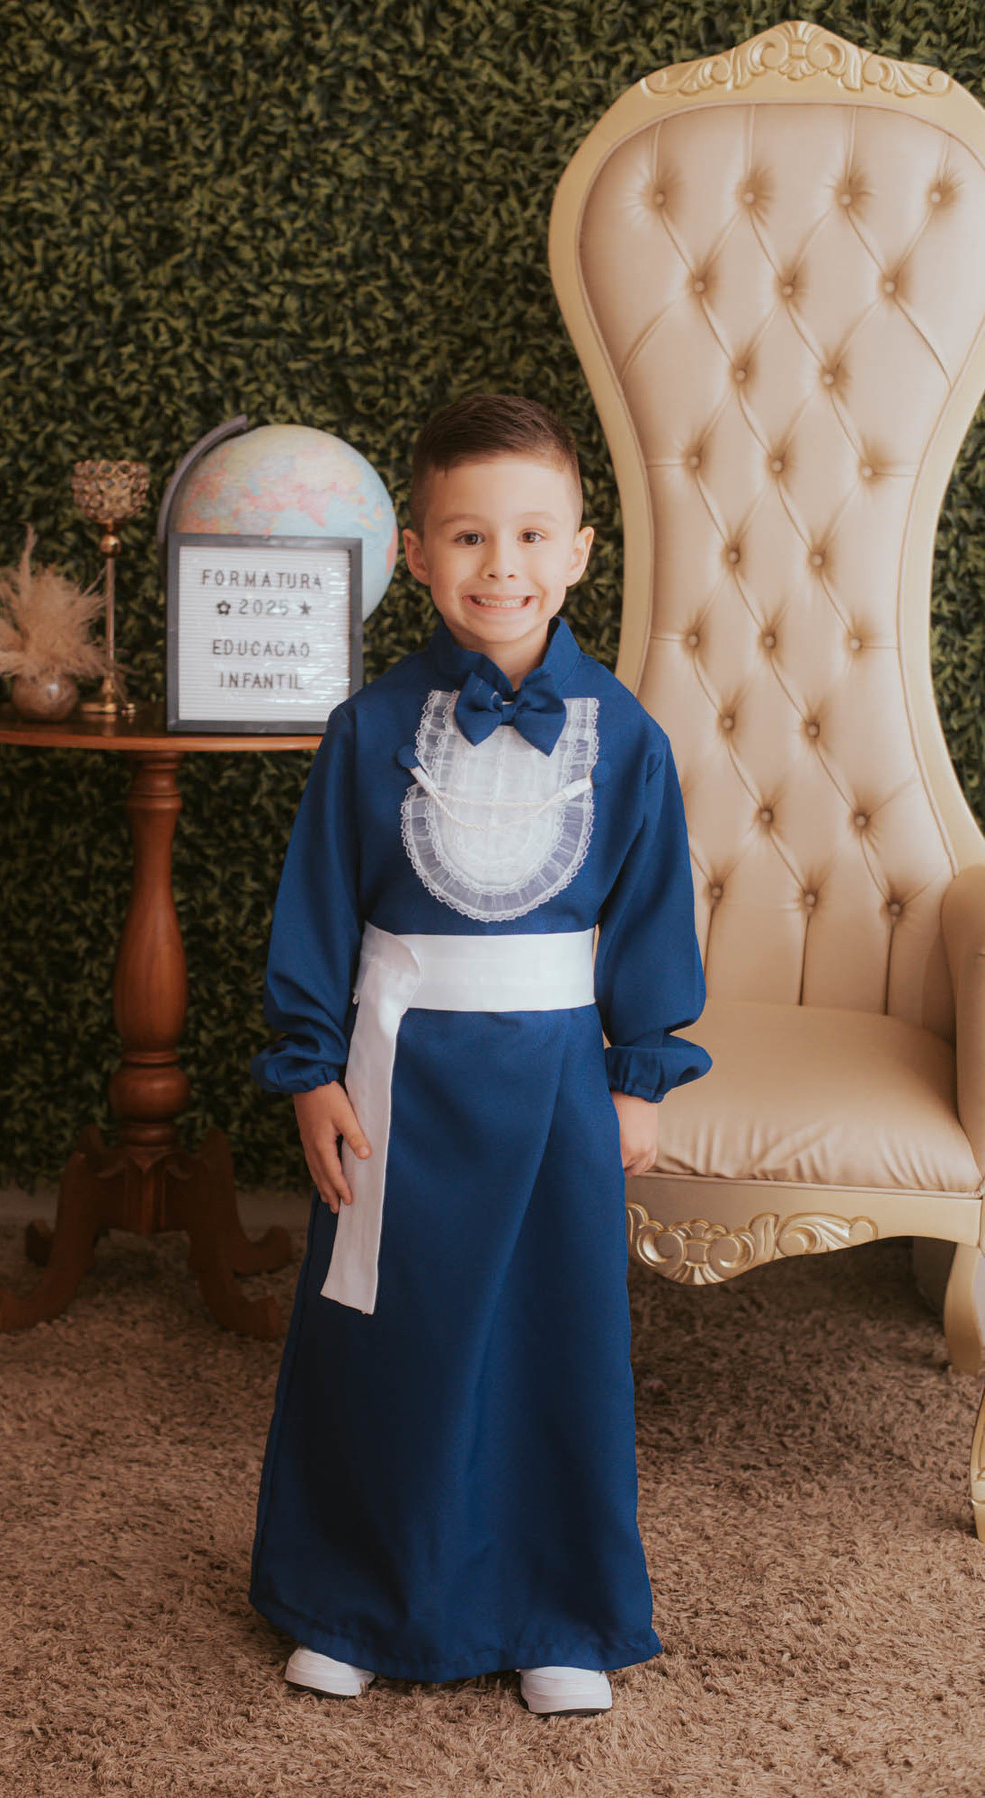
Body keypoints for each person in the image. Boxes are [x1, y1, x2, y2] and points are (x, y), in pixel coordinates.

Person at [247, 393, 711, 1716]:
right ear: (414, 553)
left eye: (530, 534)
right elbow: (320, 909)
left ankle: (558, 1608)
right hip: (400, 1079)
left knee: (554, 1338)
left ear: (580, 550)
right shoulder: (367, 730)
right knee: (387, 1335)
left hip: (558, 1087)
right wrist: (310, 1072)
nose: (500, 565)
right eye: (466, 535)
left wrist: (638, 1073)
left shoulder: (628, 738)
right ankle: (353, 1597)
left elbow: (652, 914)